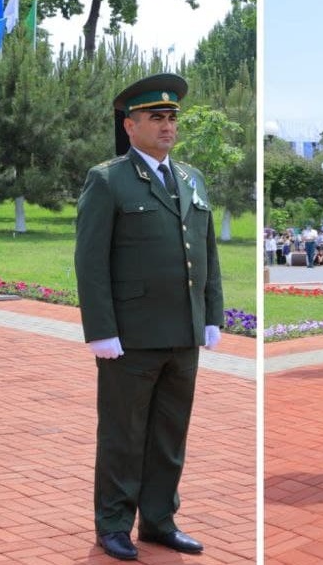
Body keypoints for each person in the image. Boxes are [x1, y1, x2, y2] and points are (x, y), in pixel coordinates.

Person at [74, 73, 223, 561]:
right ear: (130, 124)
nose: (167, 126)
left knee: (169, 433)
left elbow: (206, 253)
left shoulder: (192, 178)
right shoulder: (108, 179)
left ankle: (159, 520)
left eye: (172, 118)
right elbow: (91, 261)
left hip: (182, 332)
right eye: (156, 118)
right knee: (122, 433)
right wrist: (101, 330)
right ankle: (114, 523)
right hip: (131, 337)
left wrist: (211, 314)